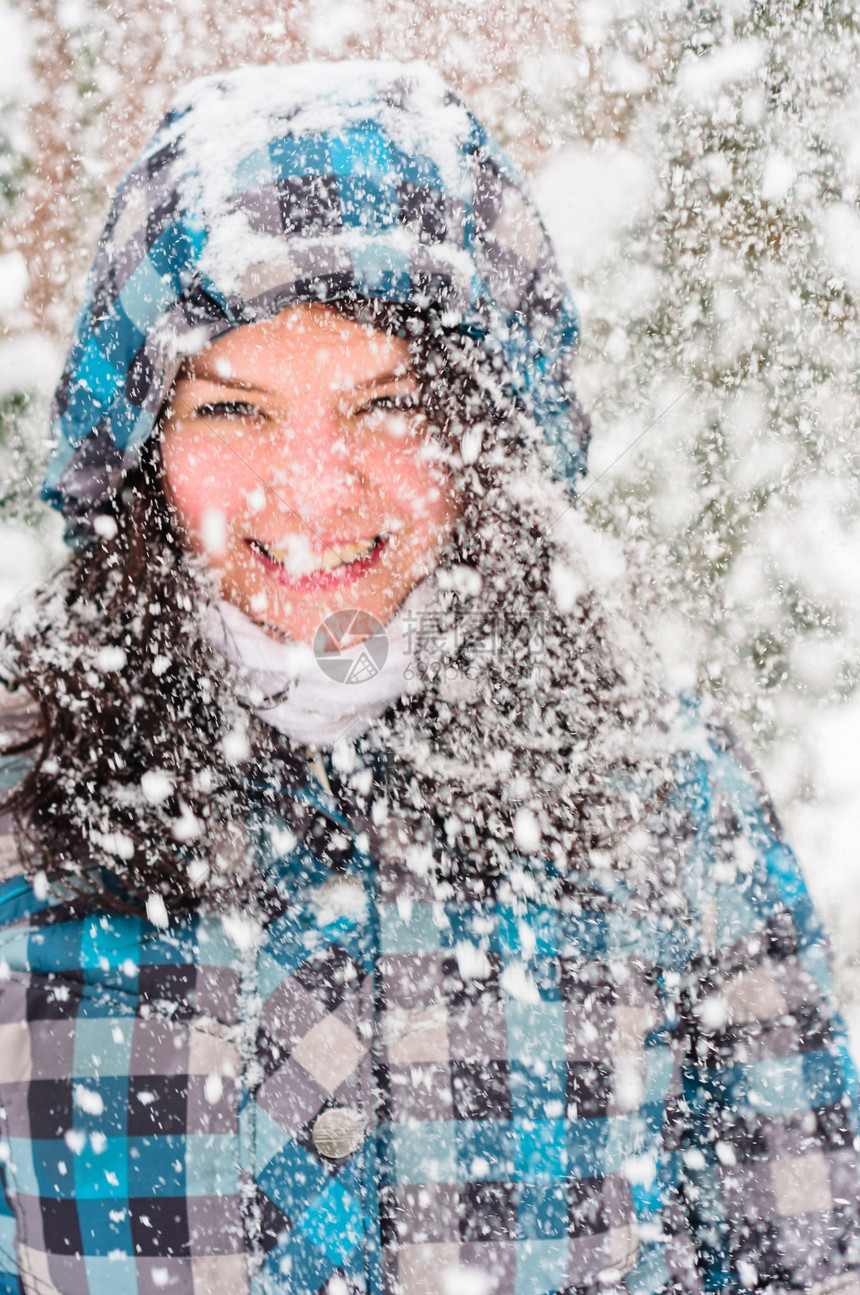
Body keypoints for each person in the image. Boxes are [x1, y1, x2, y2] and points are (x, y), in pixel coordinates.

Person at [0, 60, 857, 1295]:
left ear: (484, 427)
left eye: (384, 406)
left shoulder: (661, 796)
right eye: (233, 411)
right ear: (136, 441)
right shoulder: (24, 797)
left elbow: (807, 1254)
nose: (308, 490)